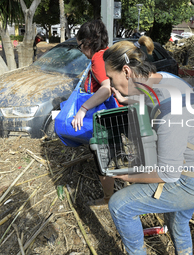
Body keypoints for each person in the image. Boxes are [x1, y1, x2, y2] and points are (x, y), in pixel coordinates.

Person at [102, 36, 194, 255]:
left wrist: (129, 176)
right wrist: (126, 98)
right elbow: (151, 97)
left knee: (120, 205)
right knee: (177, 220)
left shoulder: (170, 110)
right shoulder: (162, 78)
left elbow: (168, 173)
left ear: (127, 72)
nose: (109, 83)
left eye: (111, 77)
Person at [72, 19, 115, 207]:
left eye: (80, 45)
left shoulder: (98, 58)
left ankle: (108, 200)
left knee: (102, 160)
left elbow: (106, 89)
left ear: (88, 42)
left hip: (105, 120)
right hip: (116, 116)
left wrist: (83, 109)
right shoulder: (109, 54)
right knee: (111, 156)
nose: (81, 50)